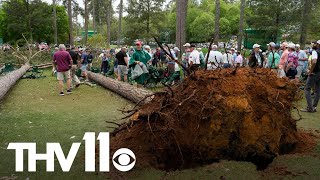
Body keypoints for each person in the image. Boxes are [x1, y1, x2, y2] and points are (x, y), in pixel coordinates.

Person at [301, 42, 320, 113]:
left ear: (318, 45)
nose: (315, 44)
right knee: (317, 90)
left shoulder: (315, 51)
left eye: (316, 43)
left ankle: (310, 108)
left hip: (314, 73)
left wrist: (310, 71)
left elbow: (314, 61)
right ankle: (314, 107)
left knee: (307, 89)